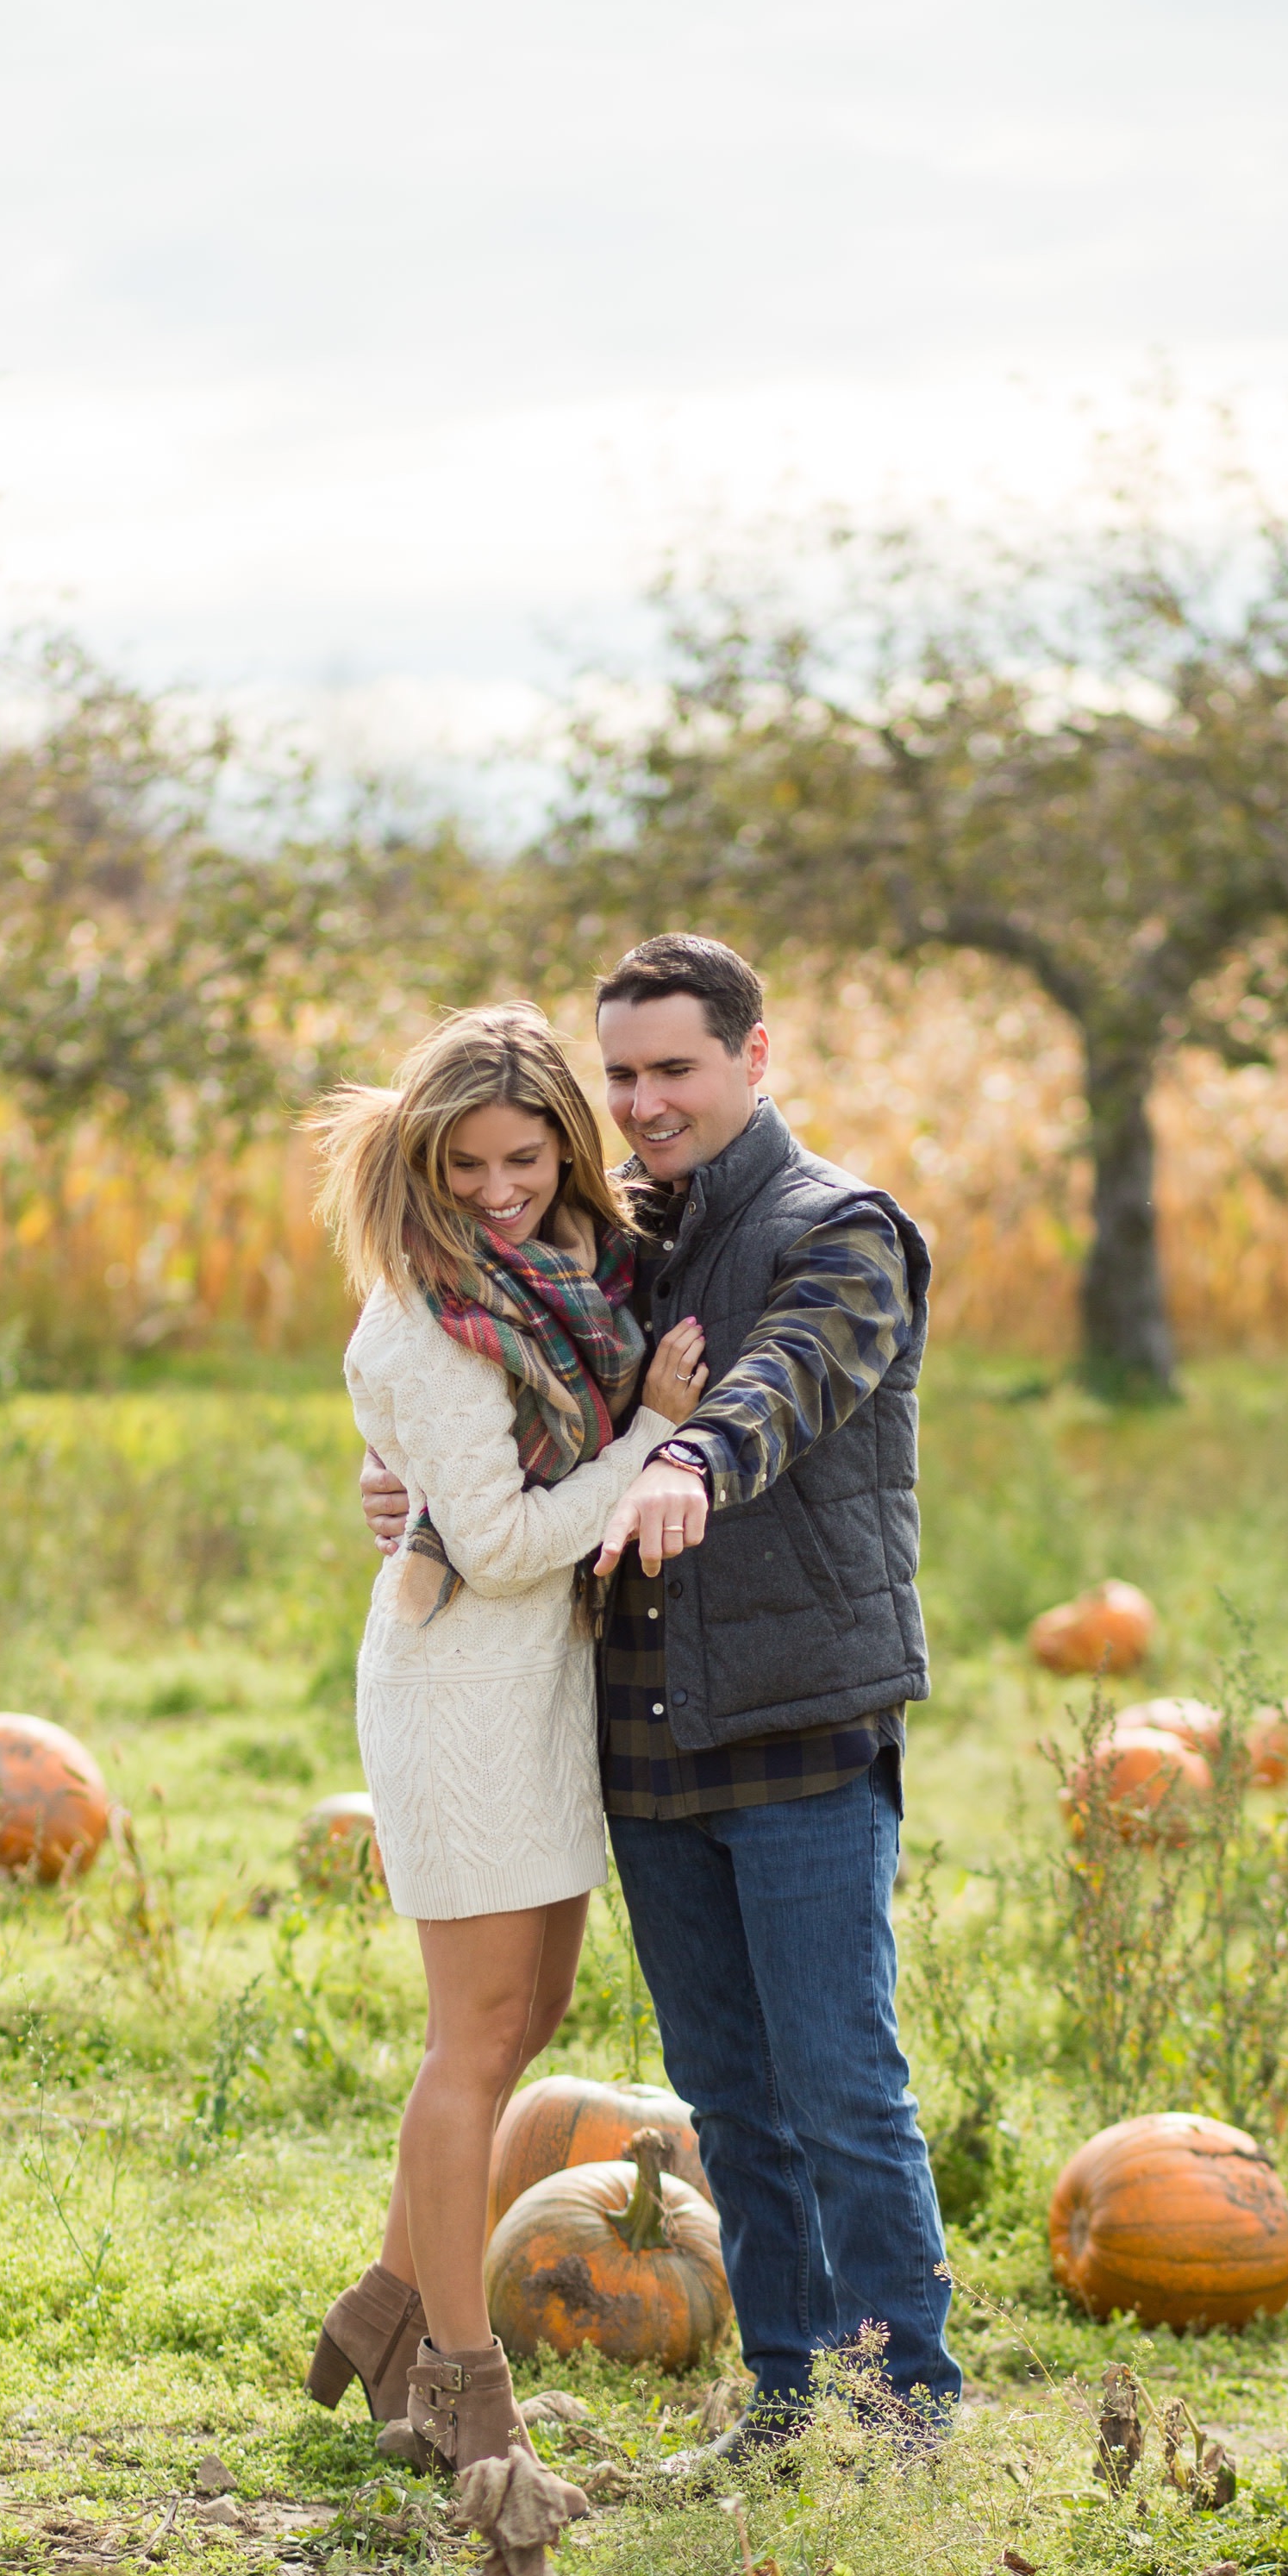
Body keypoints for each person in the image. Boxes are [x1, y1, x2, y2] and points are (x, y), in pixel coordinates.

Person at [363, 937, 958, 2458]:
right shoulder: (612, 1238)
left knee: (841, 2087)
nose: (645, 1102)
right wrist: (414, 1491)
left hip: (797, 1719)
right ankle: (786, 2398)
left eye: (675, 1068)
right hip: (641, 1732)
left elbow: (789, 1376)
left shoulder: (843, 1232)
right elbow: (505, 1401)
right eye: (622, 1075)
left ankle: (909, 2413)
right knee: (728, 2096)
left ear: (754, 1057)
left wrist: (690, 1452)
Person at [307, 1002, 706, 2473]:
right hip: (459, 1695)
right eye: (464, 1165)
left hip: (540, 1689)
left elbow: (482, 1479)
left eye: (523, 1160)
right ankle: (466, 2386)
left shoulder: (564, 1281)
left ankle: (389, 2307)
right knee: (472, 2041)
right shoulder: (426, 1317)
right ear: (423, 1162)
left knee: (528, 2018)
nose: (495, 1191)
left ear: (565, 1151)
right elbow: (506, 1541)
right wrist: (652, 1439)